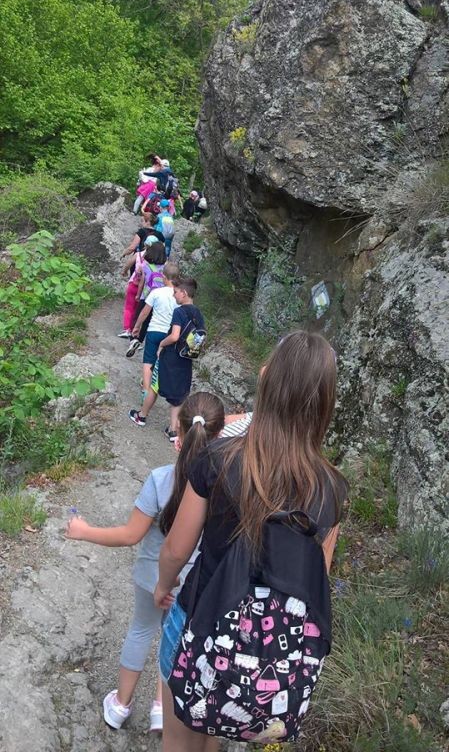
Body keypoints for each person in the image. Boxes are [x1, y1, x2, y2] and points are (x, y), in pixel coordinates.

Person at [154, 330, 347, 751]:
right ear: (325, 402)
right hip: (265, 652)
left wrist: (162, 586)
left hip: (198, 619)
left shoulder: (220, 459)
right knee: (214, 730)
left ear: (266, 380)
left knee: (179, 740)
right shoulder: (331, 490)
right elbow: (315, 579)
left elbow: (176, 549)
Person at [65, 391, 225, 734]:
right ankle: (160, 708)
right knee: (176, 639)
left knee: (140, 630)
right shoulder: (224, 486)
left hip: (151, 576)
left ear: (178, 432)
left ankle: (120, 706)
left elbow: (130, 535)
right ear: (220, 436)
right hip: (193, 584)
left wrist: (84, 531)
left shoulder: (161, 478)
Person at [128, 277, 205, 439]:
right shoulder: (198, 313)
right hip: (186, 358)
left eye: (175, 292)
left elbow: (174, 336)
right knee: (179, 394)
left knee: (154, 386)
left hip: (170, 357)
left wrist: (162, 344)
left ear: (184, 293)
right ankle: (173, 430)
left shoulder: (179, 311)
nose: (173, 295)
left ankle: (141, 416)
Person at [127, 262, 179, 385]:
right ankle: (157, 383)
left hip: (153, 331)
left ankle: (146, 388)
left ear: (163, 276)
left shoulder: (156, 292)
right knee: (163, 359)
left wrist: (137, 327)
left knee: (148, 361)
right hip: (169, 334)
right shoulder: (179, 296)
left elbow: (144, 312)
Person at [126, 240, 167, 356]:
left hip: (146, 297)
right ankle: (141, 340)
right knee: (148, 321)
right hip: (159, 299)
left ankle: (134, 339)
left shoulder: (146, 266)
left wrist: (138, 295)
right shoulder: (165, 267)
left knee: (138, 317)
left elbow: (142, 283)